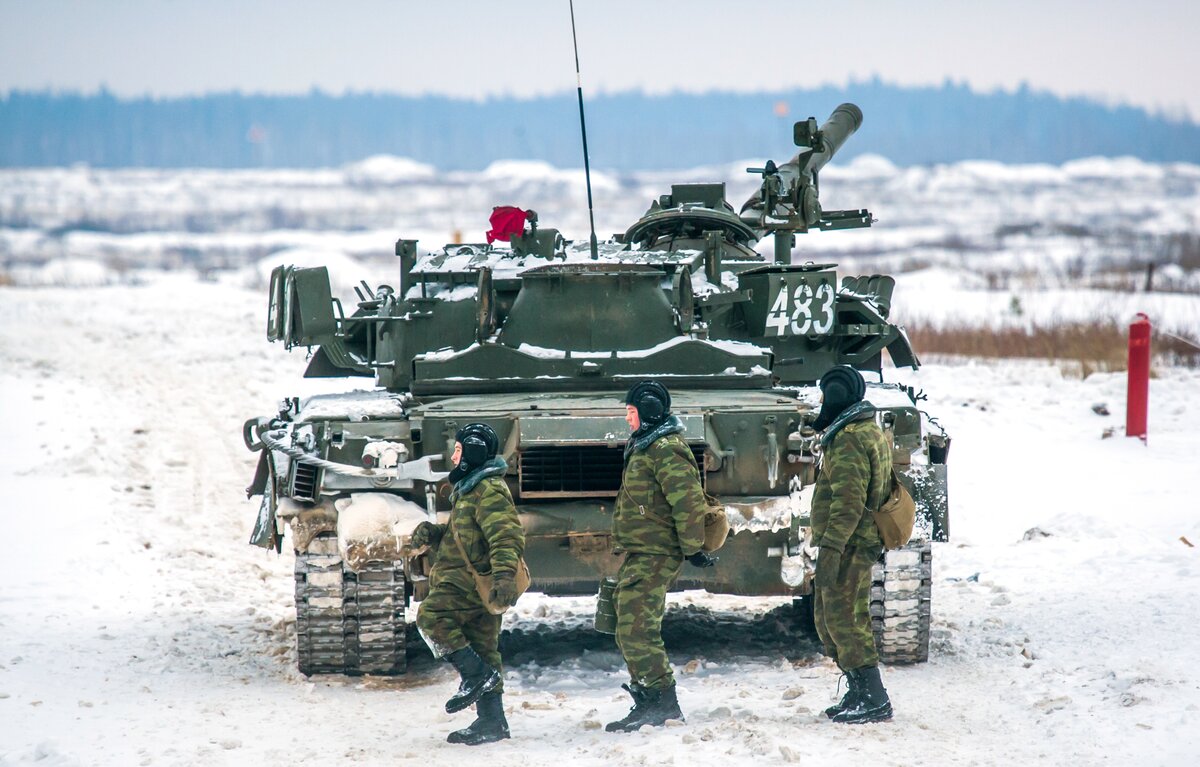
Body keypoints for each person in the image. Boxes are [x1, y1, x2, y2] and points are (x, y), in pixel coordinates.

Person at [606, 380, 717, 733]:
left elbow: (687, 502)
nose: (627, 419)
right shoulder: (646, 446)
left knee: (638, 629)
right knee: (626, 624)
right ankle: (651, 699)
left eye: (631, 412)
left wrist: (692, 548)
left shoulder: (665, 449)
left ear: (649, 412)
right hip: (643, 550)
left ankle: (663, 703)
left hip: (657, 551)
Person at [412, 423, 525, 745]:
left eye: (459, 449)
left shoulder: (487, 489)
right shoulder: (471, 488)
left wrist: (504, 576)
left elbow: (506, 536)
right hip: (475, 583)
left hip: (467, 583)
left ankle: (476, 676)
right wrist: (435, 535)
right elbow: (470, 535)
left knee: (430, 618)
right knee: (482, 646)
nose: (454, 454)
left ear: (472, 453)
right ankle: (492, 722)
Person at [809, 365, 894, 724]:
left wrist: (831, 548)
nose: (822, 402)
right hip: (855, 540)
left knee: (845, 619)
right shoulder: (864, 430)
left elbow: (848, 502)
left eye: (826, 395)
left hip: (849, 543)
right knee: (840, 617)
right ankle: (860, 690)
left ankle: (873, 697)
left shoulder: (849, 439)